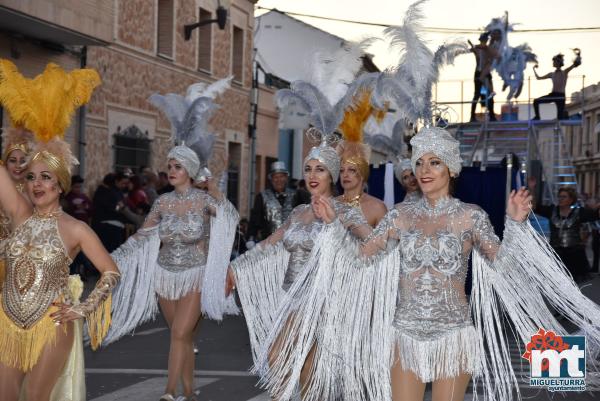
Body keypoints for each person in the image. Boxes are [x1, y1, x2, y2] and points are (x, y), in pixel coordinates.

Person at [312, 125, 600, 401]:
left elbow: (501, 264)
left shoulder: (470, 216)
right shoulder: (399, 215)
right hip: (404, 335)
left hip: (454, 335)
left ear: (450, 168)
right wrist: (334, 227)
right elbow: (362, 257)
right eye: (420, 163)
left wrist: (514, 225)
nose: (425, 170)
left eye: (434, 162)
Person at [104, 79, 239, 401]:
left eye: (178, 166)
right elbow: (144, 235)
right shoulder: (162, 202)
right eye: (169, 166)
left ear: (191, 170)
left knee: (180, 333)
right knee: (183, 336)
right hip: (164, 275)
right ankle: (189, 393)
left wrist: (215, 188)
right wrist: (113, 258)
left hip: (195, 275)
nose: (171, 170)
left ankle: (168, 392)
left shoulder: (205, 201)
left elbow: (229, 216)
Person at [0, 59, 120, 401]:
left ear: (61, 185)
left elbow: (110, 272)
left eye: (46, 177)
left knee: (36, 397)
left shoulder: (76, 229)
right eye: (32, 177)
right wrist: (18, 132)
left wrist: (82, 309)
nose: (37, 184)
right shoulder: (19, 214)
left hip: (51, 326)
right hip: (6, 323)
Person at [529, 178, 597, 282]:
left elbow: (596, 215)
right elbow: (534, 207)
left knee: (573, 284)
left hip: (574, 254)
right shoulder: (552, 210)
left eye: (564, 197)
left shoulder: (579, 212)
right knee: (555, 282)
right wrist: (532, 188)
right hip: (556, 253)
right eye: (559, 196)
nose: (560, 199)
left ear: (571, 199)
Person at [0, 128, 33, 287]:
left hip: (25, 263)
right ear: (5, 163)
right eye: (13, 160)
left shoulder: (37, 191)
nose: (18, 165)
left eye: (23, 160)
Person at [248, 160, 311, 242]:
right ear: (271, 179)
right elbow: (255, 220)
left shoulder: (297, 194)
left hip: (292, 244)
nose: (279, 180)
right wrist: (251, 237)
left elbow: (310, 209)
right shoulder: (262, 197)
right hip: (269, 244)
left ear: (286, 178)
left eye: (281, 176)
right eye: (275, 177)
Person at [91, 172, 132, 252]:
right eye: (122, 183)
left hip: (112, 224)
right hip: (109, 225)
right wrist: (120, 208)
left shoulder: (115, 192)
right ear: (116, 181)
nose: (124, 186)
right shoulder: (107, 193)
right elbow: (114, 208)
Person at [533, 53, 581, 120]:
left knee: (560, 118)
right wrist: (534, 69)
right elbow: (539, 78)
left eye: (554, 61)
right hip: (553, 95)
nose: (553, 62)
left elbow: (574, 65)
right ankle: (537, 117)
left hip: (561, 96)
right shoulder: (551, 74)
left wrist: (578, 57)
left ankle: (565, 114)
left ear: (558, 62)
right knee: (536, 101)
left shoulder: (564, 72)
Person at [469, 32, 499, 122]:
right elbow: (474, 49)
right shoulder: (479, 49)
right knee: (477, 95)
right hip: (479, 73)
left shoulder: (486, 48)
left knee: (488, 94)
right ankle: (473, 116)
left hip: (485, 73)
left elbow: (489, 51)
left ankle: (492, 115)